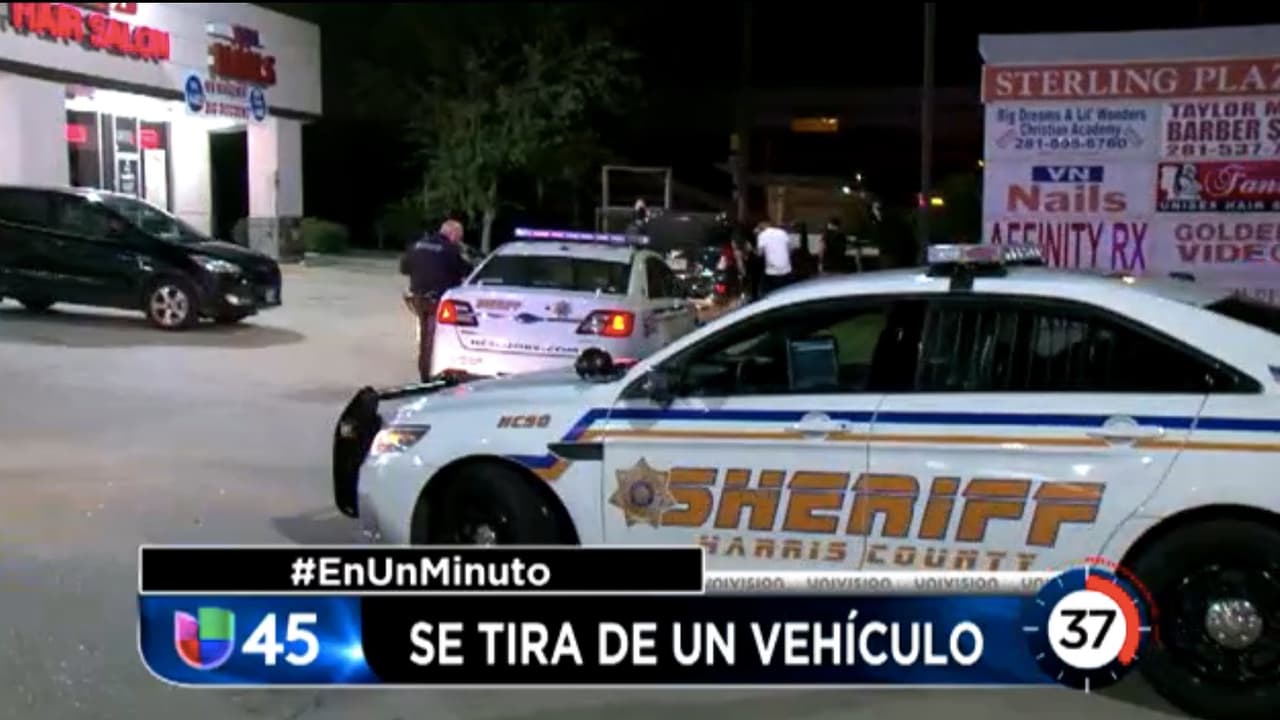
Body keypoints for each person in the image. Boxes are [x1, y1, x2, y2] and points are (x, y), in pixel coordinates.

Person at [400, 219, 469, 381]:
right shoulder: (450, 249)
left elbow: (404, 268)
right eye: (459, 237)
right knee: (436, 339)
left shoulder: (417, 245)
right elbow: (463, 271)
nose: (459, 240)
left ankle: (425, 372)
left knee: (425, 336)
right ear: (453, 234)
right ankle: (432, 376)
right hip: (437, 300)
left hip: (418, 299)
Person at [756, 218, 793, 295]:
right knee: (785, 292)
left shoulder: (762, 235)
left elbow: (760, 254)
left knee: (771, 293)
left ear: (761, 226)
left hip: (772, 271)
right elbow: (790, 250)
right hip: (786, 270)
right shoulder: (783, 233)